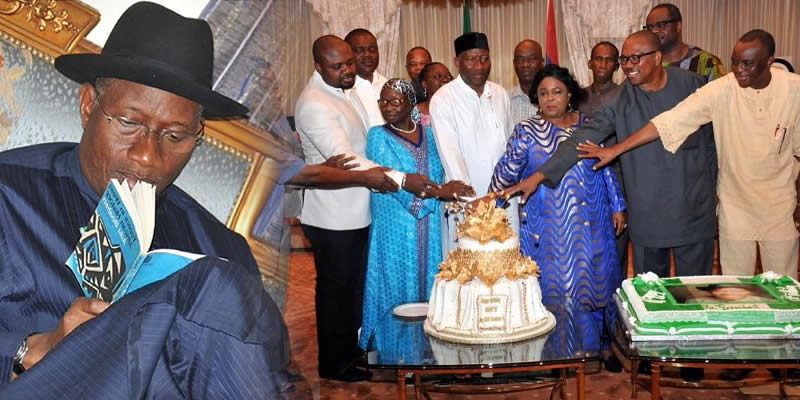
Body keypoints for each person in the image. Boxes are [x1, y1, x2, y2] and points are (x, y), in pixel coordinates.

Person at [0, 3, 291, 398]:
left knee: (217, 283)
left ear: (198, 135)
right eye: (129, 123)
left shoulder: (220, 247)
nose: (147, 157)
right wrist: (27, 350)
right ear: (88, 105)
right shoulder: (8, 194)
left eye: (175, 136)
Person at [577, 30, 800, 280]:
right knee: (736, 287)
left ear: (769, 61)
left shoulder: (794, 89)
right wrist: (615, 149)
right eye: (735, 61)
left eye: (747, 63)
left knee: (784, 287)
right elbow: (669, 121)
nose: (738, 69)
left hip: (779, 207)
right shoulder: (720, 89)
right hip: (734, 207)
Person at [295, 35, 435, 382]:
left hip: (358, 208)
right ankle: (334, 363)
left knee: (353, 288)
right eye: (338, 66)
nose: (348, 70)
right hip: (333, 214)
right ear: (318, 66)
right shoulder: (314, 103)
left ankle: (352, 351)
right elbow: (349, 160)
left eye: (349, 62)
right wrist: (403, 179)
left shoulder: (348, 89)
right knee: (336, 291)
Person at [489, 64, 625, 371]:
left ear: (570, 94)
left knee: (598, 282)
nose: (550, 99)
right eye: (543, 93)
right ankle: (556, 351)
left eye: (557, 92)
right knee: (557, 286)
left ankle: (602, 347)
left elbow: (605, 167)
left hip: (594, 217)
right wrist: (490, 204)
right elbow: (506, 171)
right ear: (536, 99)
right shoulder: (526, 131)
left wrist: (617, 204)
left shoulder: (589, 126)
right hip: (547, 223)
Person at [359, 79, 474, 349]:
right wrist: (441, 192)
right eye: (383, 101)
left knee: (430, 288)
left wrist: (450, 189)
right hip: (394, 229)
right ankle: (394, 354)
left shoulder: (431, 134)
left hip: (430, 227)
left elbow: (441, 169)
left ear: (410, 103)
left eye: (395, 101)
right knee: (396, 288)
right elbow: (394, 184)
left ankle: (427, 353)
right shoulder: (377, 136)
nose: (388, 106)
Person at [430, 32, 515, 252]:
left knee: (506, 259)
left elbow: (509, 146)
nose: (479, 66)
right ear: (457, 62)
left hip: (503, 196)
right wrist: (472, 201)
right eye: (471, 59)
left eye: (485, 58)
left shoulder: (500, 93)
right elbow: (450, 155)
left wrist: (506, 190)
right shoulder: (443, 99)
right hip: (468, 201)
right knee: (470, 262)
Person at [645, 3, 725, 82]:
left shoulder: (708, 62)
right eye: (649, 27)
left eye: (660, 25)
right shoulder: (647, 64)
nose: (653, 31)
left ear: (678, 26)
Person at [345, 28, 388, 128]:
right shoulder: (343, 91)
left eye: (372, 49)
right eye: (359, 50)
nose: (367, 55)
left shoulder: (387, 85)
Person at [509, 39, 544, 125]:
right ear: (514, 64)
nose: (525, 64)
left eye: (532, 58)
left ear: (542, 62)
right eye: (520, 59)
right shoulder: (505, 101)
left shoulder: (554, 100)